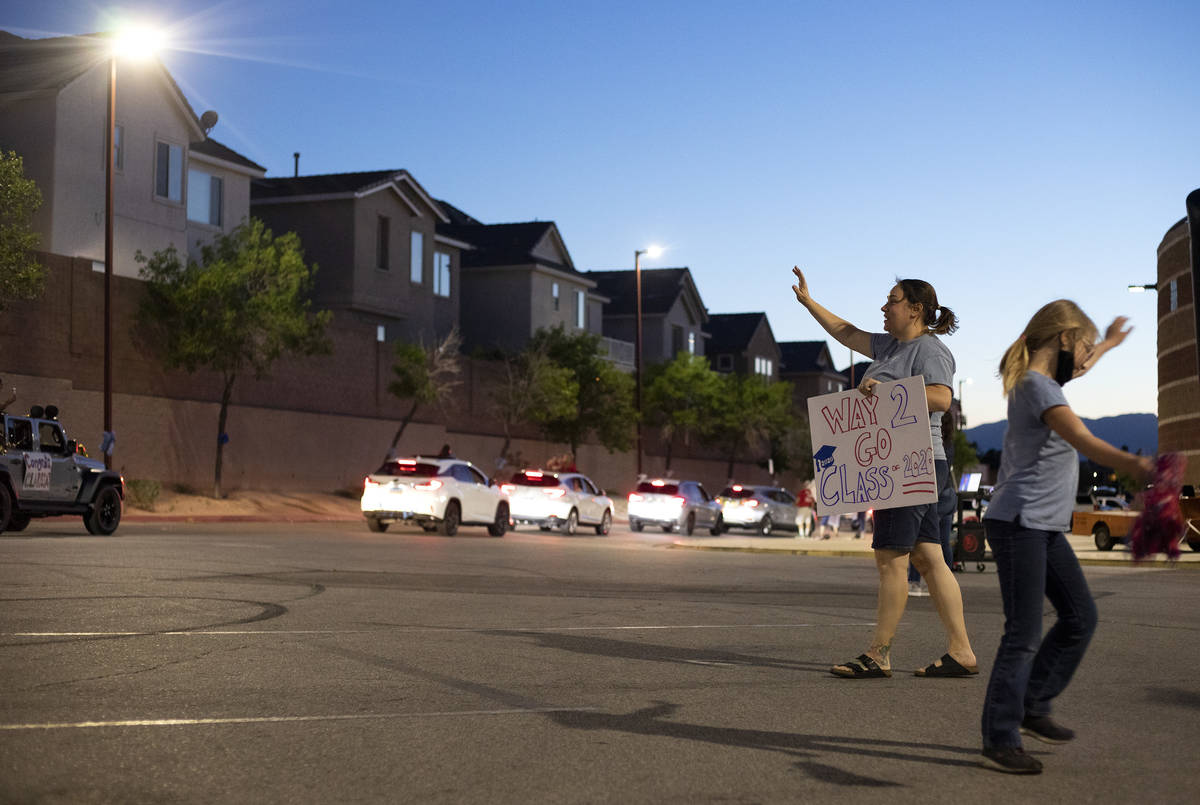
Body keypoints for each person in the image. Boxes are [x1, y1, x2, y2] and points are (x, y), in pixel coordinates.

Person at [979, 301, 1152, 774]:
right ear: (1063, 338)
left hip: (1041, 525)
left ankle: (1033, 706)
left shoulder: (1043, 382)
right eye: (1084, 348)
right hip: (1019, 522)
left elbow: (1086, 364)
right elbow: (1082, 439)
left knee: (1080, 618)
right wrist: (1133, 464)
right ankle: (1000, 735)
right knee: (1024, 634)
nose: (1086, 360)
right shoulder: (1037, 388)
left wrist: (1111, 343)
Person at [791, 266, 976, 680]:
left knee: (891, 559)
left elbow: (942, 399)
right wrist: (808, 302)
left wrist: (888, 391)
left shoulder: (930, 350)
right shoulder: (890, 347)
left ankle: (879, 654)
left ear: (915, 309)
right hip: (917, 466)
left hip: (908, 464)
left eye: (891, 301)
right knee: (929, 558)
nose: (883, 307)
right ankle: (961, 651)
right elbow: (846, 332)